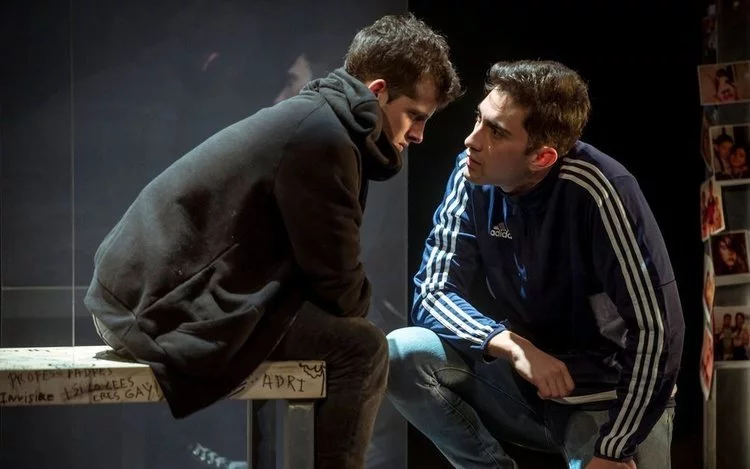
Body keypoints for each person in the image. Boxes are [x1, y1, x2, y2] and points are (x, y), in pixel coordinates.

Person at [83, 13, 462, 469]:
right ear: (378, 91)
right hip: (147, 311)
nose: (418, 135)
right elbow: (340, 287)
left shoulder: (318, 119)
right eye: (415, 116)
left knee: (334, 328)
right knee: (361, 347)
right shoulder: (324, 138)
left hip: (136, 299)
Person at [387, 60, 685, 469]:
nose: (471, 140)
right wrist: (510, 344)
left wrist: (615, 447)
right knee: (403, 353)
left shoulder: (599, 191)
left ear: (542, 157)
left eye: (496, 131)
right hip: (526, 384)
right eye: (479, 118)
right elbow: (433, 292)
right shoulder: (469, 175)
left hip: (607, 397)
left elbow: (658, 330)